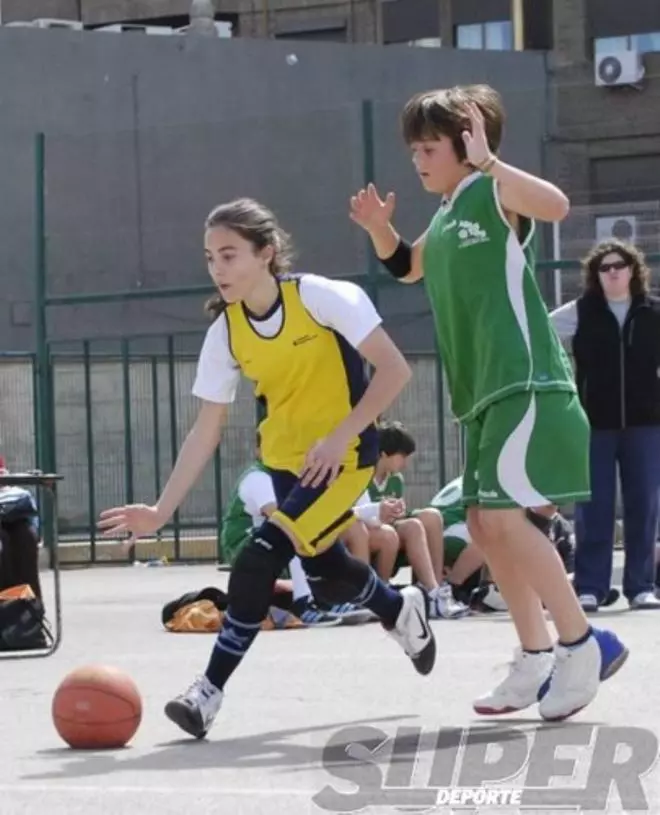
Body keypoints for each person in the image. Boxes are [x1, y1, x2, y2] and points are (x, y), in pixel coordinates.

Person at [99, 198, 436, 739]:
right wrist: (161, 510)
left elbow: (395, 370)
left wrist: (339, 436)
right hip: (285, 464)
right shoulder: (226, 333)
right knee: (325, 576)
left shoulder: (322, 297)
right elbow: (205, 431)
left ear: (267, 254)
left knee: (258, 559)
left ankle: (207, 691)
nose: (217, 268)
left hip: (344, 459)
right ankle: (399, 608)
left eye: (229, 255)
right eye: (210, 258)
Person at [349, 84, 628, 721]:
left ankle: (582, 646)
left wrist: (490, 162)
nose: (418, 158)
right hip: (480, 393)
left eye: (429, 147)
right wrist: (380, 231)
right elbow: (409, 266)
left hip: (524, 380)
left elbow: (556, 205)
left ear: (467, 145)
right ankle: (533, 657)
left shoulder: (492, 191)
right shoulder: (447, 212)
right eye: (413, 148)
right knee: (481, 524)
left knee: (504, 522)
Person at [550, 240, 660, 611]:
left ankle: (641, 586)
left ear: (633, 270)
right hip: (593, 424)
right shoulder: (580, 311)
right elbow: (541, 334)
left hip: (646, 424)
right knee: (593, 505)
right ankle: (591, 588)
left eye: (620, 264)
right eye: (604, 267)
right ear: (596, 275)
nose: (612, 271)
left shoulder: (653, 312)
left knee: (643, 504)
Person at [221, 433, 372, 626]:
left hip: (266, 540)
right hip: (243, 545)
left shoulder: (288, 473)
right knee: (293, 533)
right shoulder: (258, 477)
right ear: (258, 451)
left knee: (322, 533)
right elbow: (283, 517)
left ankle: (335, 597)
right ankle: (304, 603)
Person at [355, 420, 468, 618]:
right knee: (408, 527)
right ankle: (381, 592)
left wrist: (397, 511)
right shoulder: (361, 476)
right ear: (383, 454)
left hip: (388, 527)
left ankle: (434, 590)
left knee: (430, 517)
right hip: (369, 530)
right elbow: (360, 514)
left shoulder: (396, 479)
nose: (406, 463)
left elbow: (397, 516)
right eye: (402, 457)